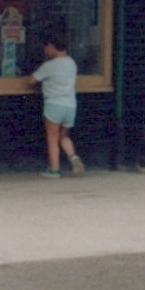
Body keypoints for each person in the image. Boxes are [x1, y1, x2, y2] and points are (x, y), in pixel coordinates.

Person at [30, 26, 85, 179]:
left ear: (52, 46)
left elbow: (32, 80)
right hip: (70, 106)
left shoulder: (49, 66)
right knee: (64, 136)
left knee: (52, 138)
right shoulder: (72, 63)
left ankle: (54, 170)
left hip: (54, 105)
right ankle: (73, 157)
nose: (45, 50)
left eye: (46, 47)